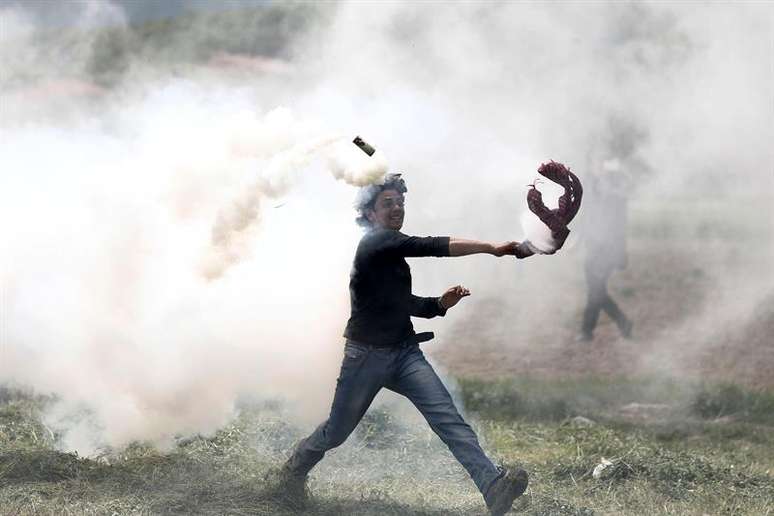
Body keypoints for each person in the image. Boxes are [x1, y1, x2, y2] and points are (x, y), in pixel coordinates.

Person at [276, 173, 532, 515]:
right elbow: (429, 246)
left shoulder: (391, 254)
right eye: (388, 204)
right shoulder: (375, 245)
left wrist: (439, 304)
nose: (397, 209)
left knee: (448, 418)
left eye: (400, 203)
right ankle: (293, 470)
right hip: (365, 358)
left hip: (404, 354)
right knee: (335, 433)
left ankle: (493, 487)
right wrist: (491, 248)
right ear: (370, 214)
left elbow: (404, 303)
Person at [579, 157, 633, 341]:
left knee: (596, 291)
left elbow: (615, 228)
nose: (599, 180)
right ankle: (615, 325)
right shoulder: (599, 196)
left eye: (603, 177)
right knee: (596, 290)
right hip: (595, 249)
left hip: (607, 251)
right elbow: (589, 220)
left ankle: (588, 331)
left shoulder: (615, 198)